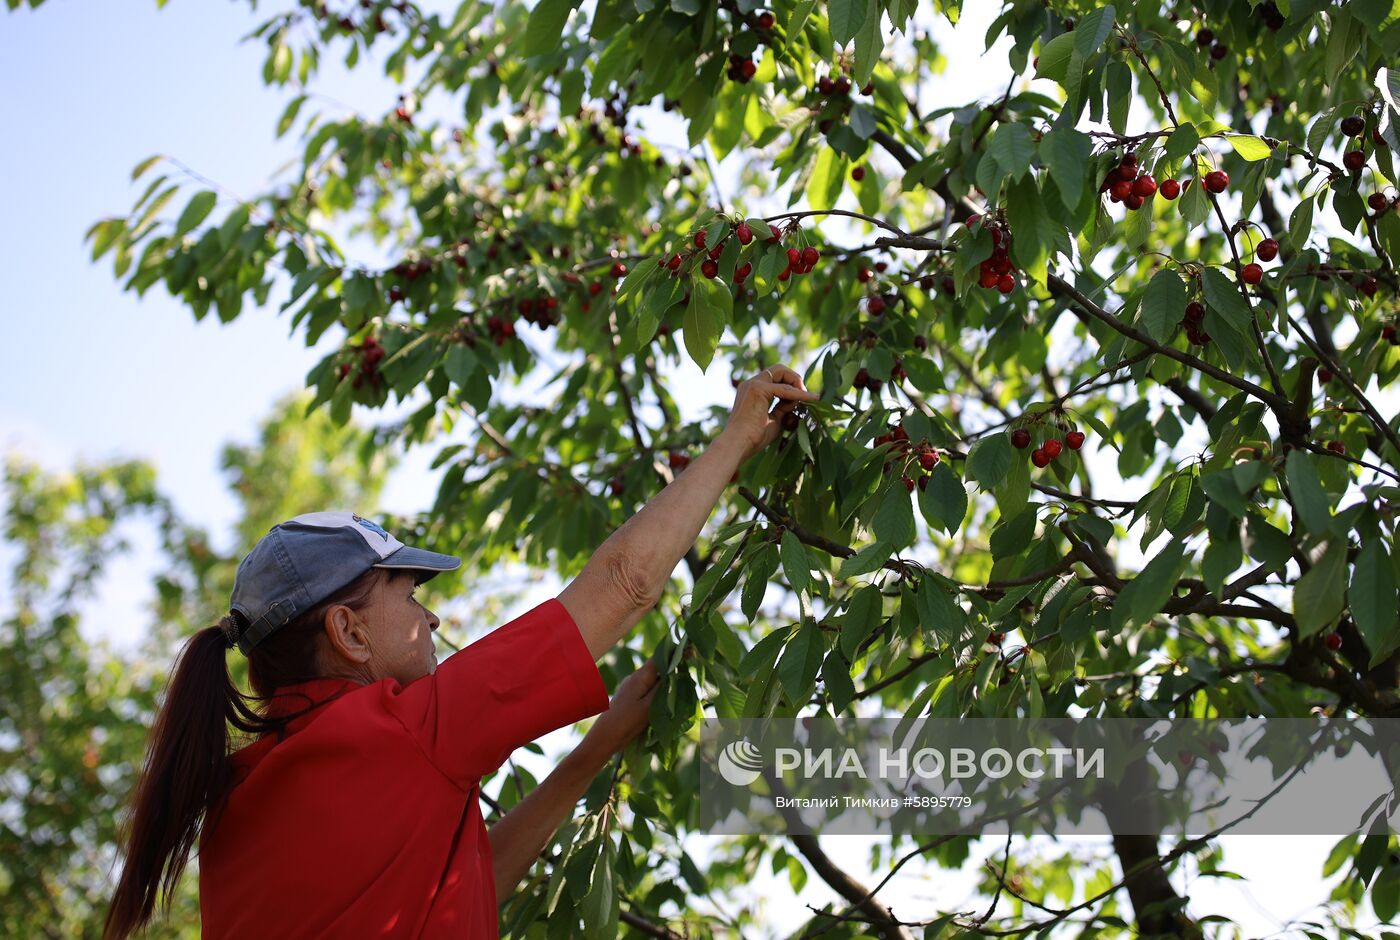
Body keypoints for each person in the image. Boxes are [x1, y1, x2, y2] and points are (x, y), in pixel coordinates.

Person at [101, 364, 819, 939]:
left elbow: (469, 883)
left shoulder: (235, 804)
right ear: (349, 635)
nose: (433, 616)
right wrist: (736, 441)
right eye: (409, 596)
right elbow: (624, 584)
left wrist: (594, 750)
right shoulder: (398, 733)